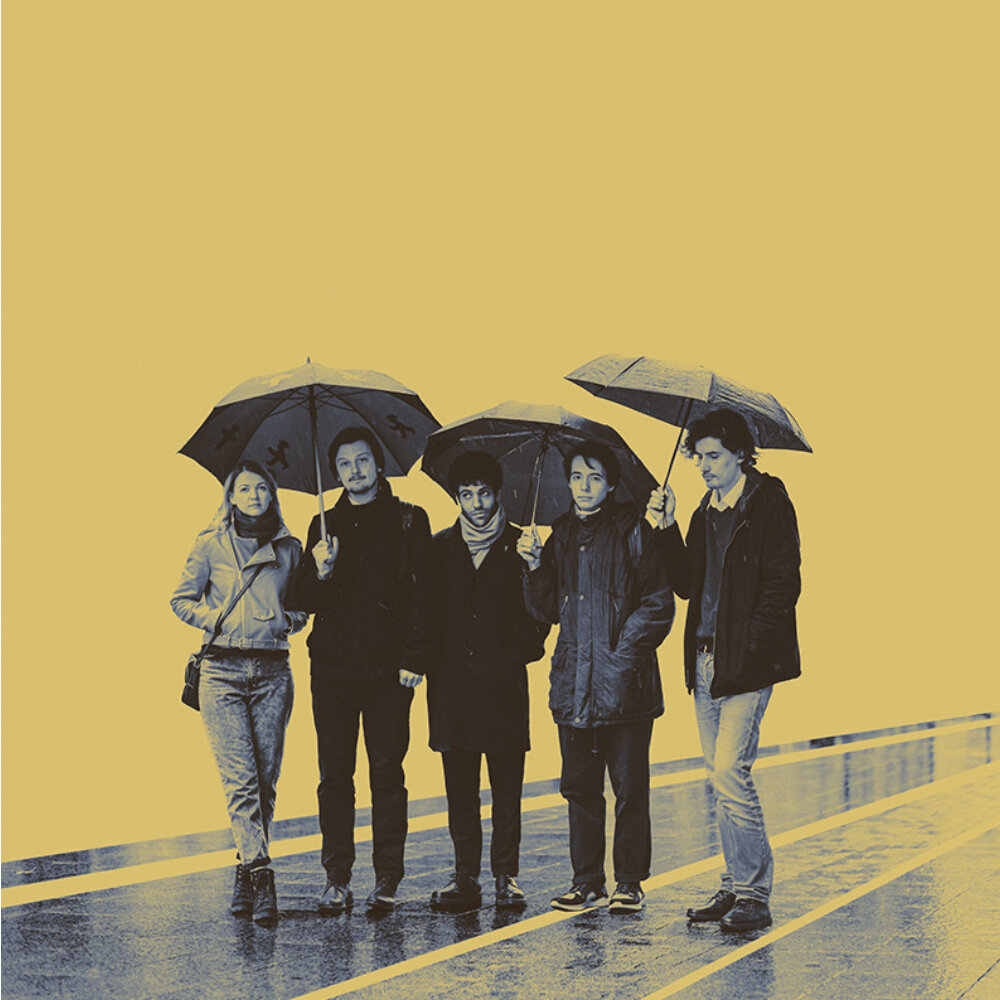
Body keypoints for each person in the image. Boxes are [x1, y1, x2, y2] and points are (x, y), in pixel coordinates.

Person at [646, 408, 801, 932]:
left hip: (746, 663)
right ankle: (734, 884)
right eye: (698, 457)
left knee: (731, 771)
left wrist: (752, 649)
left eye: (713, 456)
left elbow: (784, 584)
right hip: (705, 658)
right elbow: (686, 583)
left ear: (740, 454)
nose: (704, 466)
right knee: (719, 776)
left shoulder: (768, 502)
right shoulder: (703, 511)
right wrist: (666, 526)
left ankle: (754, 893)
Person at [517, 441, 673, 913]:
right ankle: (587, 880)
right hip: (573, 685)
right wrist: (533, 566)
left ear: (610, 484)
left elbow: (658, 603)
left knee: (629, 788)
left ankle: (629, 882)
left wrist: (620, 656)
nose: (584, 486)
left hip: (625, 687)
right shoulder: (560, 534)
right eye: (577, 477)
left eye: (595, 477)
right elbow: (546, 610)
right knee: (580, 788)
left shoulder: (633, 529)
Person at [288, 426, 435, 914]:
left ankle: (387, 876)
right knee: (334, 775)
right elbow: (305, 599)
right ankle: (337, 877)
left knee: (387, 772)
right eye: (345, 463)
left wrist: (415, 658)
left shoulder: (410, 519)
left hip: (389, 671)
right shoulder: (322, 524)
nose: (354, 470)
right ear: (335, 472)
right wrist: (321, 570)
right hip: (331, 669)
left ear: (379, 464)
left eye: (363, 460)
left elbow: (424, 597)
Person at [170, 461, 308, 924]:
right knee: (241, 782)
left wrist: (286, 621)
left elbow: (301, 608)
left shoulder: (290, 548)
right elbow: (180, 599)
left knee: (265, 781)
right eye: (244, 489)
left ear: (272, 495)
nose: (253, 496)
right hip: (221, 672)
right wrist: (215, 619)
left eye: (261, 488)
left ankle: (244, 868)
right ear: (230, 496)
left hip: (273, 672)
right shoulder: (210, 543)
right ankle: (263, 876)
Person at [427, 452, 549, 910]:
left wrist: (517, 650)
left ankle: (506, 876)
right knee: (460, 788)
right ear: (456, 498)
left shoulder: (522, 546)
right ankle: (465, 877)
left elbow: (542, 615)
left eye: (483, 493)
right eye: (466, 494)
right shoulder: (440, 547)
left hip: (503, 686)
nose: (476, 503)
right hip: (452, 687)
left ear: (498, 494)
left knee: (506, 788)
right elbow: (425, 611)